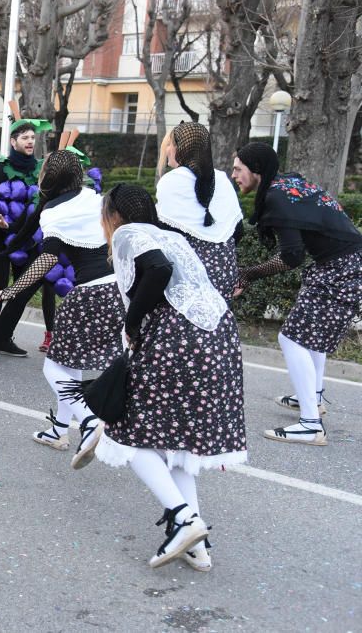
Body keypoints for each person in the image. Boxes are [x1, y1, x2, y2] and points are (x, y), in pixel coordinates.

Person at [94, 183, 247, 571]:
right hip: (221, 337)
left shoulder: (130, 232)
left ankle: (184, 519)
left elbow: (158, 269)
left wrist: (131, 322)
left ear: (114, 214)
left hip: (177, 338)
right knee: (176, 442)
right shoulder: (171, 235)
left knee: (128, 432)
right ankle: (197, 546)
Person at [0, 150, 123, 466]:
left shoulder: (53, 213)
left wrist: (8, 292)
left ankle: (88, 422)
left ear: (47, 180)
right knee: (70, 366)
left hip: (89, 293)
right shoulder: (94, 197)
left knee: (53, 367)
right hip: (118, 288)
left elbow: (47, 259)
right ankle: (58, 431)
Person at [233, 142, 362, 446]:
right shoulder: (288, 182)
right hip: (346, 263)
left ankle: (310, 424)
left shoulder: (278, 197)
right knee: (309, 337)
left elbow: (290, 257)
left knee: (290, 338)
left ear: (257, 171)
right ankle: (313, 399)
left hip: (341, 268)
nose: (234, 175)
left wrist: (248, 273)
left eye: (238, 169)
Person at [0, 119, 56, 360]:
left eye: (32, 137)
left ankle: (5, 338)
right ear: (13, 142)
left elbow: (39, 204)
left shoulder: (39, 169)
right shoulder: (0, 169)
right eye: (24, 138)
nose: (30, 141)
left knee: (20, 291)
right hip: (0, 241)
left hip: (27, 240)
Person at [156, 122, 244, 297]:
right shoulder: (222, 178)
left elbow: (165, 235)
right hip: (224, 271)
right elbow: (238, 230)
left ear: (179, 149)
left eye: (170, 145)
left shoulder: (171, 181)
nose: (167, 151)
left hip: (188, 273)